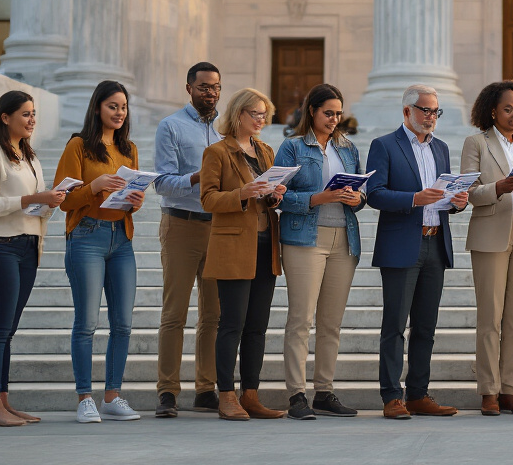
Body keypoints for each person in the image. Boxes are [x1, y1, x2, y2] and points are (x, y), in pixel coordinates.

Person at [365, 85, 470, 419]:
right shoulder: (384, 145)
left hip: (435, 242)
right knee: (395, 325)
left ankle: (418, 394)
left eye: (436, 111)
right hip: (401, 246)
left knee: (426, 326)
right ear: (406, 111)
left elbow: (443, 197)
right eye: (425, 110)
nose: (431, 117)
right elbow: (375, 194)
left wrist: (457, 203)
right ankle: (392, 396)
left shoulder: (441, 148)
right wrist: (413, 199)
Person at [0, 90, 66, 427]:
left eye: (34, 113)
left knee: (7, 331)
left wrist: (48, 203)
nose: (32, 119)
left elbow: (34, 211)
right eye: (25, 113)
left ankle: (4, 403)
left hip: (28, 248)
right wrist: (32, 197)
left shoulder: (29, 157)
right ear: (5, 117)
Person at [55, 80, 146, 424]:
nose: (120, 112)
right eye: (113, 106)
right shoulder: (78, 146)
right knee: (87, 322)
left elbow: (130, 201)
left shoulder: (129, 149)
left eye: (123, 107)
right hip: (87, 235)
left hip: (121, 237)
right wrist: (94, 186)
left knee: (122, 323)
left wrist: (135, 201)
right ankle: (84, 398)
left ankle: (112, 395)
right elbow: (63, 199)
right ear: (97, 108)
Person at [275, 84, 366, 420]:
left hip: (344, 238)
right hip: (304, 239)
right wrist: (319, 198)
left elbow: (361, 193)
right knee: (301, 319)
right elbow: (278, 196)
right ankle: (296, 395)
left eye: (338, 114)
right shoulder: (292, 147)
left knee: (332, 322)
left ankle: (324, 391)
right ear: (311, 111)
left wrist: (358, 198)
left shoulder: (348, 147)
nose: (334, 119)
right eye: (328, 113)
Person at [200, 88, 287, 421]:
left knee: (257, 327)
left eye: (265, 114)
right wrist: (243, 193)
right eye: (256, 114)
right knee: (232, 324)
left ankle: (251, 393)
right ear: (238, 114)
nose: (262, 120)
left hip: (266, 243)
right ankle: (226, 395)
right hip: (234, 244)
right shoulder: (217, 152)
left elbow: (267, 197)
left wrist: (275, 195)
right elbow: (208, 199)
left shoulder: (265, 150)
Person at [462, 81, 513, 416]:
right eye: (508, 109)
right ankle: (488, 390)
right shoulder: (476, 143)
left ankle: (510, 388)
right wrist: (499, 186)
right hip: (491, 232)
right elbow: (470, 192)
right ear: (493, 111)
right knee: (490, 316)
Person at [152, 62, 222, 418]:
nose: (210, 93)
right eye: (204, 87)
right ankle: (167, 391)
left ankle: (206, 389)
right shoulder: (171, 126)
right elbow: (161, 183)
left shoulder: (226, 129)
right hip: (180, 225)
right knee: (174, 313)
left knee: (212, 314)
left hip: (219, 228)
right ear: (189, 88)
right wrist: (198, 177)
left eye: (215, 87)